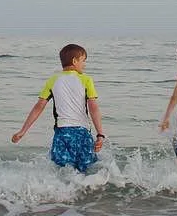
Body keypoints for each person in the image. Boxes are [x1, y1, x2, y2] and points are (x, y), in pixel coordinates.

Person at [11, 43, 106, 171]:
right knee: (87, 171)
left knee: (63, 171)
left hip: (62, 134)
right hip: (82, 134)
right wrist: (100, 134)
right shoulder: (86, 80)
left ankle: (58, 191)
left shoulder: (52, 80)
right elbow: (93, 108)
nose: (84, 64)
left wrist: (22, 131)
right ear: (74, 61)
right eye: (83, 61)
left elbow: (38, 107)